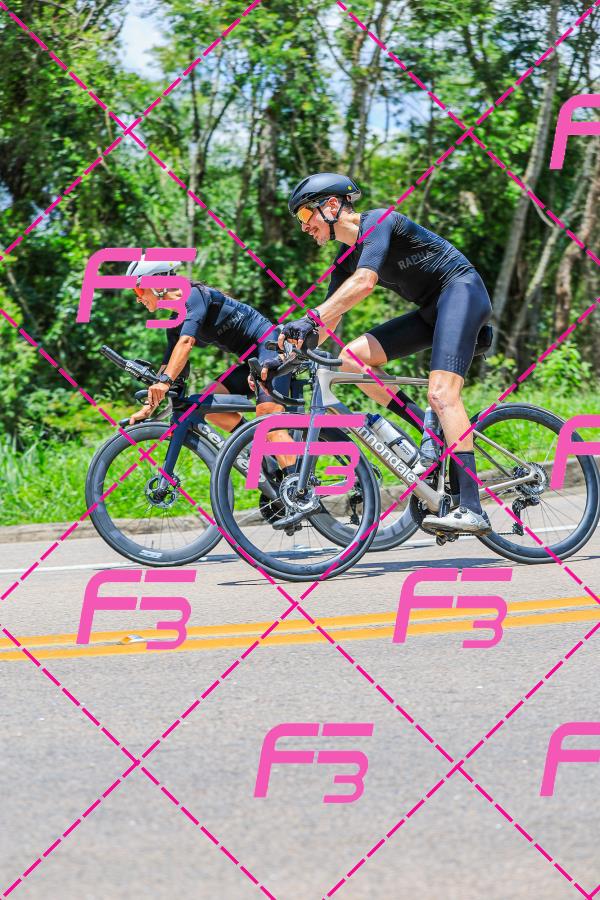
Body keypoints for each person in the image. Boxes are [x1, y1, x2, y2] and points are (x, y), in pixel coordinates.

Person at [281, 172, 493, 535]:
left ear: (331, 206)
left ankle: (473, 508)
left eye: (304, 215)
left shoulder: (380, 222)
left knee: (442, 395)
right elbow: (328, 318)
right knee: (351, 359)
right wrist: (286, 351)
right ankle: (428, 433)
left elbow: (365, 282)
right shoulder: (345, 259)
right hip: (430, 311)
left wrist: (311, 318)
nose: (303, 227)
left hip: (462, 292)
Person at [125, 256, 295, 469]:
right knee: (207, 402)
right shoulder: (175, 323)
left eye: (138, 290)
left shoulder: (194, 295)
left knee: (268, 420)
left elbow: (186, 343)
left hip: (270, 347)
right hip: (251, 362)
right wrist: (148, 408)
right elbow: (168, 369)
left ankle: (299, 485)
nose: (138, 298)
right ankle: (263, 456)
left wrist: (165, 381)